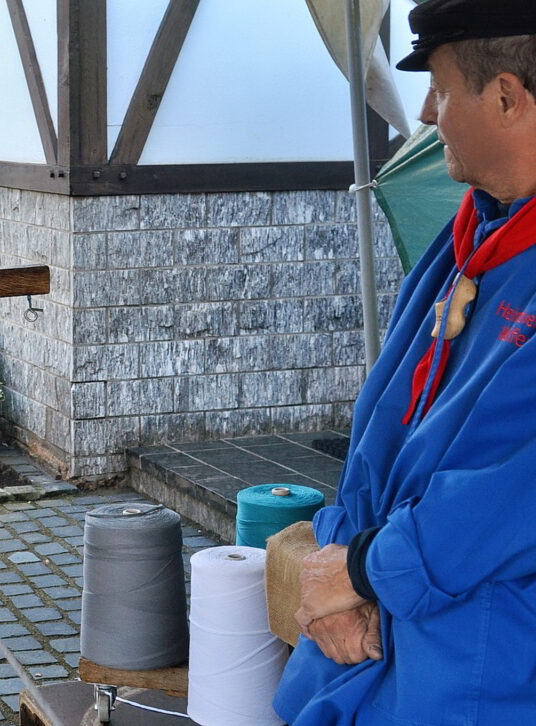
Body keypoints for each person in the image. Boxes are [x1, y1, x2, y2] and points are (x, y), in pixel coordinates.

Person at [274, 1, 536, 723]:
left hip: (481, 675)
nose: (425, 111)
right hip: (372, 645)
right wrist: (342, 565)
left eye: (442, 89)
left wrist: (365, 570)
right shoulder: (469, 240)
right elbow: (381, 430)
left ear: (508, 97)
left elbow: (512, 496)